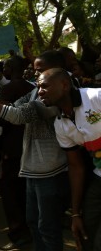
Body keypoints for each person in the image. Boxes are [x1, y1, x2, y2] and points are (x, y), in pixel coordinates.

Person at [0, 50, 69, 251]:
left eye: (39, 69)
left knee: (47, 227)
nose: (34, 74)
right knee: (34, 222)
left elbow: (19, 115)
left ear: (57, 72)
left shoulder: (55, 95)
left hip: (50, 170)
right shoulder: (36, 89)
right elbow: (13, 105)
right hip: (32, 168)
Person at [36, 68, 101, 251]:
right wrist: (75, 214)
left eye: (44, 86)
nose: (39, 91)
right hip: (97, 178)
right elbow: (76, 167)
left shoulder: (95, 98)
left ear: (64, 85)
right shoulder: (60, 125)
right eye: (38, 87)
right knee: (86, 234)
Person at [0, 56, 34, 250]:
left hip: (12, 148)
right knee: (24, 191)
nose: (3, 69)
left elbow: (3, 118)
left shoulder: (8, 89)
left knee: (10, 192)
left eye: (5, 66)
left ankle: (18, 231)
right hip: (30, 147)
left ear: (11, 68)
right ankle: (29, 228)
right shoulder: (32, 88)